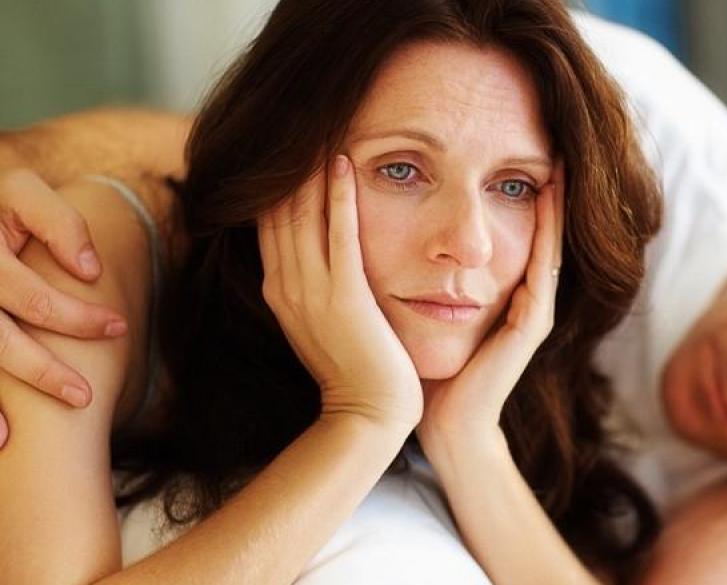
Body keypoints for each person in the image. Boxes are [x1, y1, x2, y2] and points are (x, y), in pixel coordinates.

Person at [2, 9, 727, 585]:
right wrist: (18, 172)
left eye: (513, 189)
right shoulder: (606, 112)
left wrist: (458, 437)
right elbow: (194, 151)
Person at [0, 1, 664, 583]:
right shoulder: (82, 264)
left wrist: (468, 440)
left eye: (513, 185)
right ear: (282, 164)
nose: (469, 244)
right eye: (400, 170)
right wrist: (364, 418)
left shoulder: (522, 350)